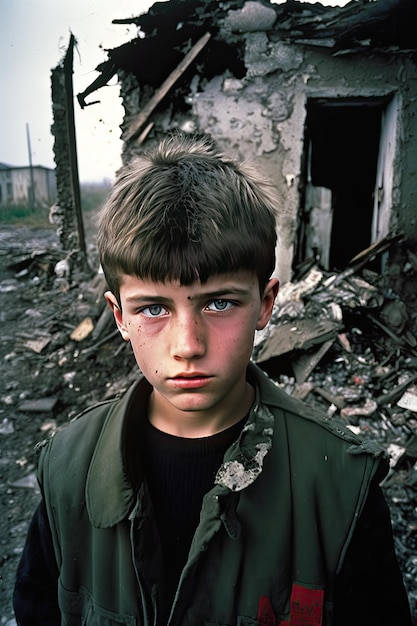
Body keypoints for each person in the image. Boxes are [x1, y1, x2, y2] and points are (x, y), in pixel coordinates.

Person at [14, 133, 411, 626]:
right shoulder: (67, 471)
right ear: (118, 316)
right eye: (153, 308)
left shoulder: (339, 484)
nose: (187, 345)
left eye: (219, 303)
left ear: (265, 304)